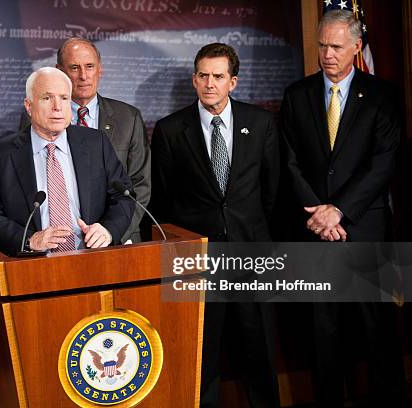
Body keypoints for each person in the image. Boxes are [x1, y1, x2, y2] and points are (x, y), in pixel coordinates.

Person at [280, 9, 405, 407]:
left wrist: (341, 211)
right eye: (322, 45)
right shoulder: (297, 95)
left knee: (377, 330)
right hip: (314, 229)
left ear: (356, 47)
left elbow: (384, 162)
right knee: (322, 331)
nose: (327, 54)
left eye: (336, 46)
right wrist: (320, 214)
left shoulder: (382, 95)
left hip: (364, 229)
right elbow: (288, 160)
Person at [150, 43, 280, 408]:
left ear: (233, 82)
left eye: (218, 76)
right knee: (201, 356)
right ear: (194, 79)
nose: (209, 84)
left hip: (251, 256)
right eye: (203, 76)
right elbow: (162, 203)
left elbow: (271, 192)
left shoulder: (261, 123)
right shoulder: (170, 130)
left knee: (260, 351)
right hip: (197, 262)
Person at [0, 67, 134, 255]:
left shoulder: (96, 143)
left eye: (64, 98)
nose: (57, 106)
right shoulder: (1, 154)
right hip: (33, 266)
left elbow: (124, 196)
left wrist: (108, 229)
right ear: (29, 105)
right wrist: (28, 239)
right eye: (47, 98)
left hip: (93, 258)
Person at [19, 38, 150, 243]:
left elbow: (140, 185)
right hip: (55, 244)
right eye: (74, 68)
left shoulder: (128, 118)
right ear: (60, 71)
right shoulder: (35, 117)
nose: (83, 76)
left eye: (89, 67)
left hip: (119, 242)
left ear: (100, 69)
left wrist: (111, 232)